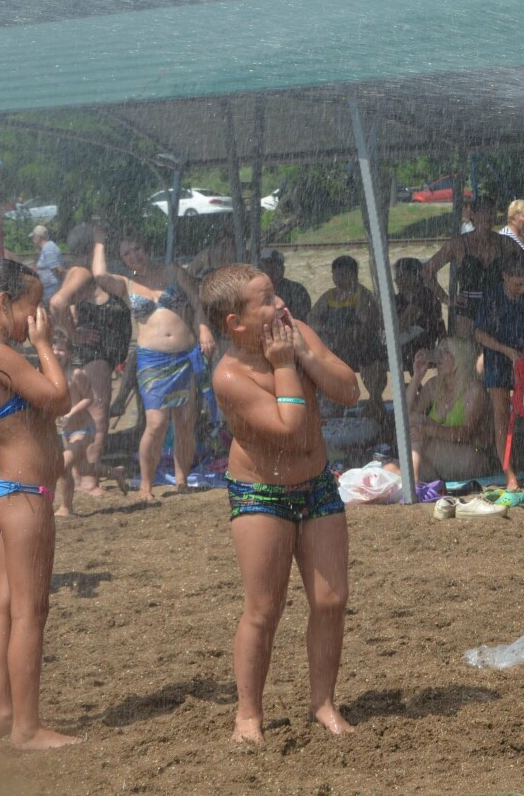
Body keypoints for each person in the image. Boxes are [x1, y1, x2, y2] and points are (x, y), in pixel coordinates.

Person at [200, 262, 360, 743]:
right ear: (236, 323)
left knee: (331, 601)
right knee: (264, 610)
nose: (281, 304)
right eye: (267, 299)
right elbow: (289, 432)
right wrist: (287, 365)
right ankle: (248, 714)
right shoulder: (228, 375)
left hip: (316, 486)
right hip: (260, 493)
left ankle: (323, 704)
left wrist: (305, 357)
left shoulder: (295, 333)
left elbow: (350, 390)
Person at [0, 258, 80, 749]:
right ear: (2, 302)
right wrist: (43, 347)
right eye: (32, 307)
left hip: (1, 487)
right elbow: (58, 397)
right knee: (30, 613)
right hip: (24, 495)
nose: (37, 317)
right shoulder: (2, 353)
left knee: (6, 608)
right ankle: (26, 728)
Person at [92, 227, 216, 500]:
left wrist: (204, 329)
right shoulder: (125, 285)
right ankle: (146, 486)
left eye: (136, 248)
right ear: (122, 259)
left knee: (185, 421)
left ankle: (181, 480)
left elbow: (197, 302)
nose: (133, 255)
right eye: (126, 252)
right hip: (152, 360)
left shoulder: (172, 271)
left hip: (184, 354)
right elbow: (99, 275)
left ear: (146, 248)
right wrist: (100, 241)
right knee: (156, 422)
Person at [48, 224, 131, 496]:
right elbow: (57, 303)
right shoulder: (83, 273)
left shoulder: (80, 273)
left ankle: (83, 475)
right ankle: (87, 481)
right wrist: (74, 334)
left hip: (98, 354)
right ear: (90, 247)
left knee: (89, 416)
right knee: (97, 416)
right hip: (94, 355)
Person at [475, 253, 524, 495]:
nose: (522, 289)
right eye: (517, 283)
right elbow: (479, 334)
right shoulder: (492, 297)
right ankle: (510, 474)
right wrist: (507, 352)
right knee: (501, 415)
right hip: (499, 356)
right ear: (505, 276)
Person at [425, 195, 515, 338]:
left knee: (497, 356)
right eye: (483, 211)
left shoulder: (505, 243)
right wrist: (447, 300)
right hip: (468, 311)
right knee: (467, 356)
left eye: (492, 212)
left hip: (498, 308)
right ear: (472, 214)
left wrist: (514, 293)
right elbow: (427, 271)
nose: (488, 216)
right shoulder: (459, 244)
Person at [405, 337, 491, 484]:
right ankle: (415, 479)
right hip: (441, 457)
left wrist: (426, 430)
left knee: (414, 440)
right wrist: (416, 378)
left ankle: (413, 482)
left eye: (446, 352)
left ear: (460, 359)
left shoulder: (474, 390)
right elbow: (404, 416)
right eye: (438, 351)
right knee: (412, 422)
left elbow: (464, 434)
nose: (439, 357)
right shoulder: (434, 385)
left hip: (472, 455)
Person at [306, 256, 386, 415]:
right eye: (335, 275)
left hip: (361, 345)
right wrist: (326, 328)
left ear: (353, 275)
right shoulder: (330, 295)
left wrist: (348, 331)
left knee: (369, 359)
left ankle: (375, 401)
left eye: (342, 275)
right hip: (335, 344)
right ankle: (331, 400)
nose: (338, 279)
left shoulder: (361, 294)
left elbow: (369, 323)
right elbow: (312, 317)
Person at [50, 330, 96, 517]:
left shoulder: (76, 374)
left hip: (83, 429)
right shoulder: (47, 375)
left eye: (61, 349)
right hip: (64, 432)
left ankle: (66, 507)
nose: (56, 353)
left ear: (69, 353)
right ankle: (116, 473)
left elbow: (90, 399)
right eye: (53, 349)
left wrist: (70, 413)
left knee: (63, 465)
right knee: (83, 468)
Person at [393, 257, 444, 372]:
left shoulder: (424, 296)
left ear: (414, 277)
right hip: (407, 346)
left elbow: (401, 324)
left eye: (400, 276)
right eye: (396, 276)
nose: (396, 280)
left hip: (422, 347)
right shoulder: (398, 299)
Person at [259, 249, 311, 320]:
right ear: (260, 269)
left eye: (276, 266)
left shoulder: (297, 290)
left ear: (283, 269)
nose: (271, 270)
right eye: (267, 265)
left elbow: (300, 319)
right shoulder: (254, 291)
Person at [29, 225, 63, 305]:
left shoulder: (48, 248)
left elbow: (58, 269)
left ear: (38, 237)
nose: (33, 239)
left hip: (51, 291)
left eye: (33, 237)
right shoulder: (45, 248)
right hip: (48, 291)